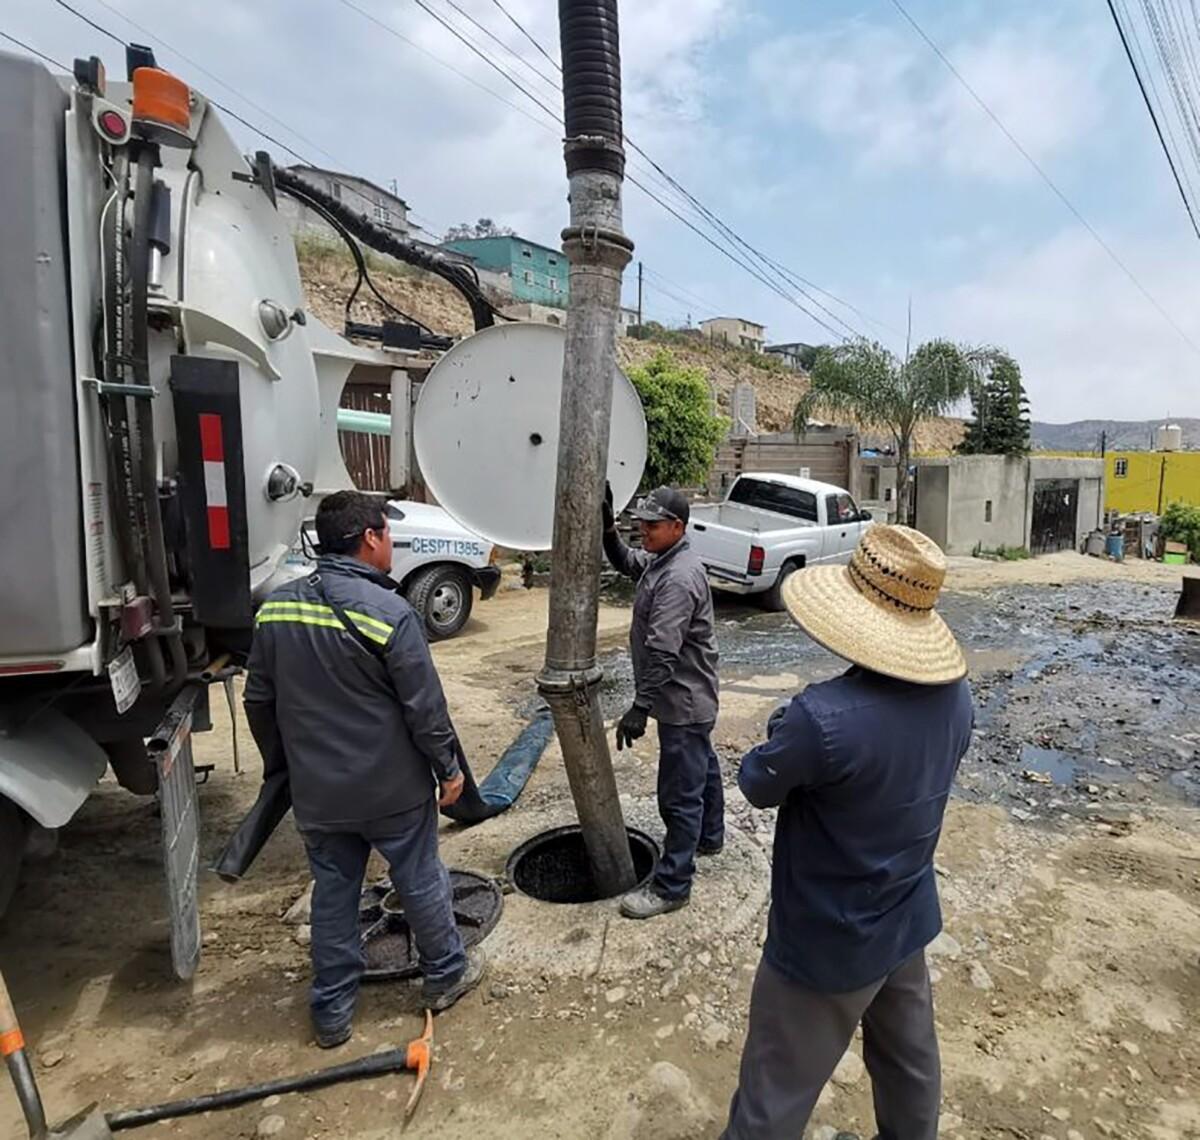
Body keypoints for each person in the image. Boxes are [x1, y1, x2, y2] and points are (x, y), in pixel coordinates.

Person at [721, 524, 974, 1140]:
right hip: (905, 917)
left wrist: (786, 725)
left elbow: (758, 784)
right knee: (909, 1067)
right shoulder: (957, 696)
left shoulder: (821, 717)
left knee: (772, 1095)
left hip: (827, 941)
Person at [244, 490, 484, 1049]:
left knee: (334, 892)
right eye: (388, 534)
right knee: (420, 876)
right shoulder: (390, 612)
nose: (392, 544)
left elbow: (259, 701)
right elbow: (425, 710)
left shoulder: (276, 608)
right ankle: (446, 976)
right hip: (392, 790)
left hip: (319, 795)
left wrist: (284, 767)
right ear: (371, 538)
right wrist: (449, 769)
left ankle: (331, 1015)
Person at [601, 484, 722, 919]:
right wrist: (607, 529)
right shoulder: (663, 559)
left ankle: (673, 886)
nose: (643, 531)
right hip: (694, 698)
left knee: (678, 794)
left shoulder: (678, 577)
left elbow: (663, 650)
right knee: (702, 770)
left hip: (683, 703)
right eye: (640, 523)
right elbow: (627, 562)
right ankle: (710, 837)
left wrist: (640, 707)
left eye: (652, 525)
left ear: (677, 527)